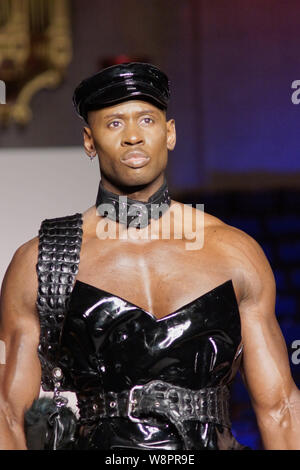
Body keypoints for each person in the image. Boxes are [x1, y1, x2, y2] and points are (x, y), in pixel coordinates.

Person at [0, 62, 299, 451]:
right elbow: (7, 411)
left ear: (169, 133)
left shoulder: (234, 252)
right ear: (89, 142)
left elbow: (280, 407)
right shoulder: (43, 260)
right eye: (114, 124)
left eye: (146, 119)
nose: (133, 138)